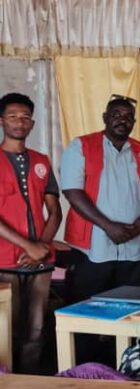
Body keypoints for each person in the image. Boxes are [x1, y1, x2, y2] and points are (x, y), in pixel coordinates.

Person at [61, 95, 140, 364]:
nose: (123, 120)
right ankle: (85, 370)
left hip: (135, 249)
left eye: (128, 116)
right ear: (105, 118)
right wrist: (108, 226)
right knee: (86, 314)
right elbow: (72, 191)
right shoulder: (81, 147)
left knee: (131, 314)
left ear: (134, 122)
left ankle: (124, 366)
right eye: (117, 114)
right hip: (93, 248)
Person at [0, 93, 62, 374]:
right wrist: (28, 245)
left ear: (33, 123)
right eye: (13, 116)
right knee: (7, 330)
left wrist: (42, 246)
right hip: (5, 260)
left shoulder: (41, 161)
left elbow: (55, 210)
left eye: (25, 117)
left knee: (36, 330)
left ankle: (30, 385)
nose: (19, 122)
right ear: (2, 121)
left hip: (41, 261)